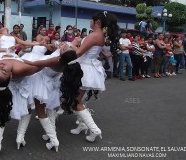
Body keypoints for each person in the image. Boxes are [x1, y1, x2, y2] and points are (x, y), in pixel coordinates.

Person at [27, 11, 119, 143]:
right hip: (89, 67)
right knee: (76, 101)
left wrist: (70, 45)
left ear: (97, 22)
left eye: (91, 20)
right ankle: (82, 125)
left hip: (84, 68)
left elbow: (78, 53)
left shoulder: (94, 35)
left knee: (75, 102)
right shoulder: (100, 35)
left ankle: (94, 130)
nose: (90, 22)